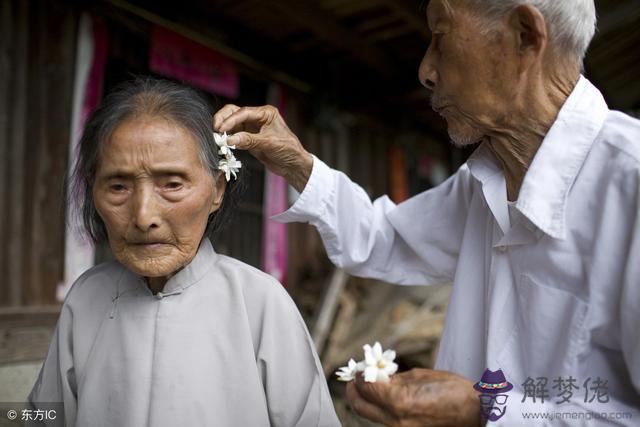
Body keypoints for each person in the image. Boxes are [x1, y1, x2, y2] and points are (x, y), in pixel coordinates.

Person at [213, 0, 640, 425]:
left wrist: (487, 410)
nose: (426, 70)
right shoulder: (483, 182)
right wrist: (298, 164)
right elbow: (385, 239)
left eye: (440, 37)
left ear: (524, 36)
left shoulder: (630, 184)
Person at [29, 78, 340, 427]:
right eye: (118, 186)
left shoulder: (259, 301)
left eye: (172, 184)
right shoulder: (86, 298)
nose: (144, 216)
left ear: (217, 190)